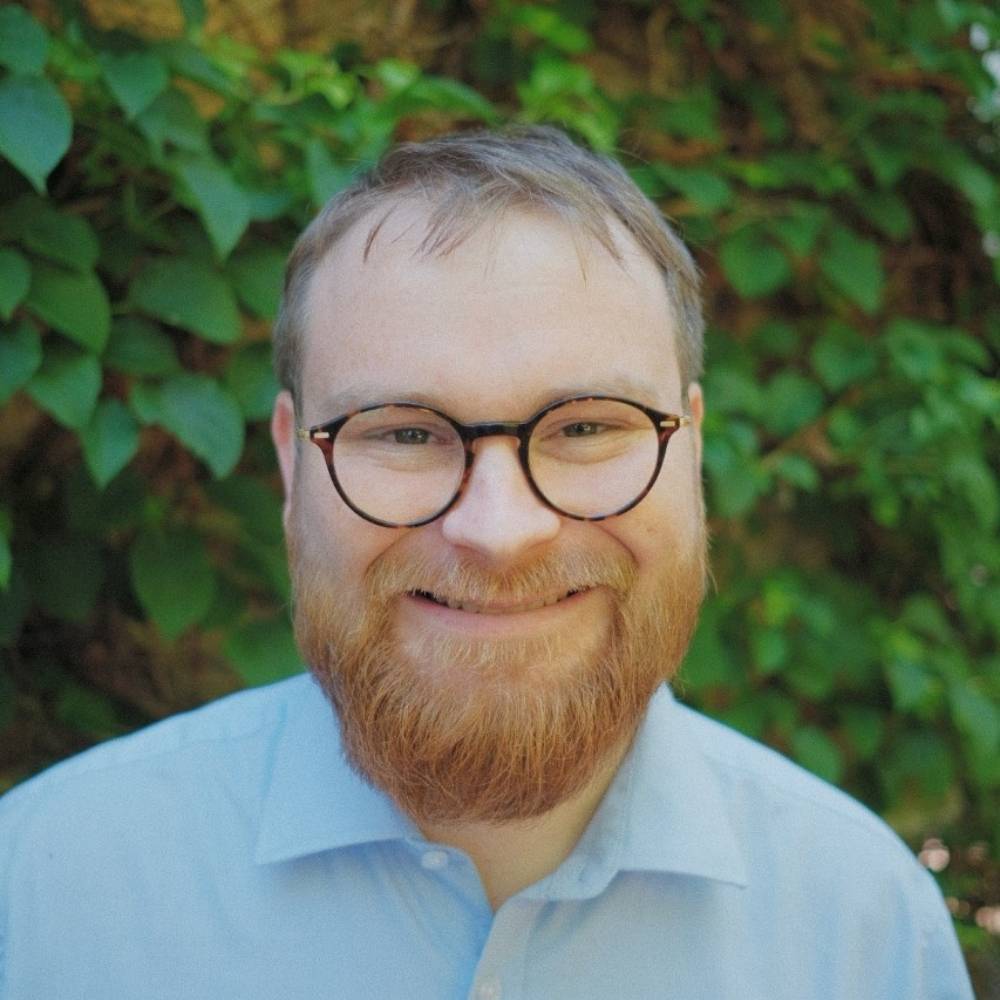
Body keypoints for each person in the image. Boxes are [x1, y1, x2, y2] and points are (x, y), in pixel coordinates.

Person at [0, 126, 973, 1000]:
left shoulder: (865, 927)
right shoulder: (41, 896)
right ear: (292, 461)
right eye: (407, 432)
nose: (502, 530)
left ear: (692, 446)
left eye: (589, 425)